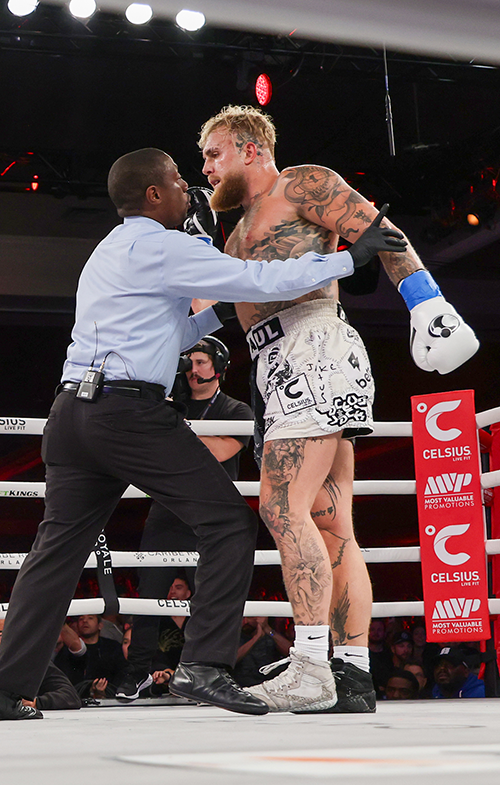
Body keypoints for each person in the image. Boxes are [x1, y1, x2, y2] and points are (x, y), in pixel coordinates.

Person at [0, 146, 402, 722]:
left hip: (72, 413)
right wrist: (347, 260)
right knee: (227, 521)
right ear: (153, 194)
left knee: (55, 553)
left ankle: (4, 690)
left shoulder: (109, 250)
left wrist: (217, 306)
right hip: (125, 412)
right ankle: (204, 666)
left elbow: (176, 332)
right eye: (178, 181)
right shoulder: (162, 244)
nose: (190, 190)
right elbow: (255, 274)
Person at [198, 105, 477, 713]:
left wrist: (425, 300)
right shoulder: (233, 232)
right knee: (331, 528)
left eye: (214, 154)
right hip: (278, 364)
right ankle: (351, 672)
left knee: (279, 507)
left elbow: (379, 230)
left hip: (312, 346)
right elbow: (211, 307)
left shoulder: (302, 184)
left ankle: (309, 666)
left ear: (249, 148)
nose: (207, 167)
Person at [115, 336, 253, 701]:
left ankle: (208, 670)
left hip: (210, 514)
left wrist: (177, 433)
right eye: (190, 361)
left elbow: (222, 451)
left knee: (211, 595)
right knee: (148, 597)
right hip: (166, 511)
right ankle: (138, 672)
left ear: (219, 366)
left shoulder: (236, 411)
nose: (193, 368)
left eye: (202, 361)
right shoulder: (169, 407)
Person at [52, 614, 126, 700]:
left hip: (111, 698)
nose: (85, 621)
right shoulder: (67, 650)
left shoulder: (112, 647)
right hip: (78, 699)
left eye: (90, 618)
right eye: (81, 619)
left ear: (100, 625)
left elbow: (121, 673)